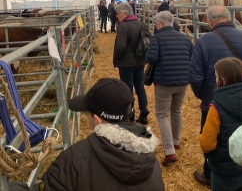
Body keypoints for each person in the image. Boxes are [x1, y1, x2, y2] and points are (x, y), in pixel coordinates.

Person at [8, 78, 165, 191]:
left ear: (97, 120)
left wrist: (12, 186)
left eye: (87, 113)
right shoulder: (150, 161)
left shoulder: (73, 161)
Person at [189, 5, 242, 187]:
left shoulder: (203, 41)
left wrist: (205, 95)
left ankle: (210, 175)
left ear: (210, 21)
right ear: (228, 17)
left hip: (215, 101)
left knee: (214, 139)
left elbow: (195, 76)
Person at [199, 57, 242, 191]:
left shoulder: (215, 108)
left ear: (223, 80)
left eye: (216, 76)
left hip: (224, 173)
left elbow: (207, 144)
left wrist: (201, 138)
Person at [145, 10, 193, 166]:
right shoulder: (185, 38)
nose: (155, 26)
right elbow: (192, 56)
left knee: (161, 115)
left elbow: (151, 58)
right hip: (183, 82)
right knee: (176, 110)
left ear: (161, 23)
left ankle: (169, 151)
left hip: (164, 82)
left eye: (156, 23)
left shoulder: (157, 38)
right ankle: (176, 141)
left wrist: (148, 48)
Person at [113, 3, 151, 125]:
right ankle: (144, 112)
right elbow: (149, 40)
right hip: (140, 61)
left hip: (126, 63)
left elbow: (120, 47)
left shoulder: (123, 27)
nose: (117, 16)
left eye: (118, 13)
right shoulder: (142, 24)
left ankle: (130, 115)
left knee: (127, 89)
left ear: (125, 13)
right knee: (140, 86)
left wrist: (116, 59)